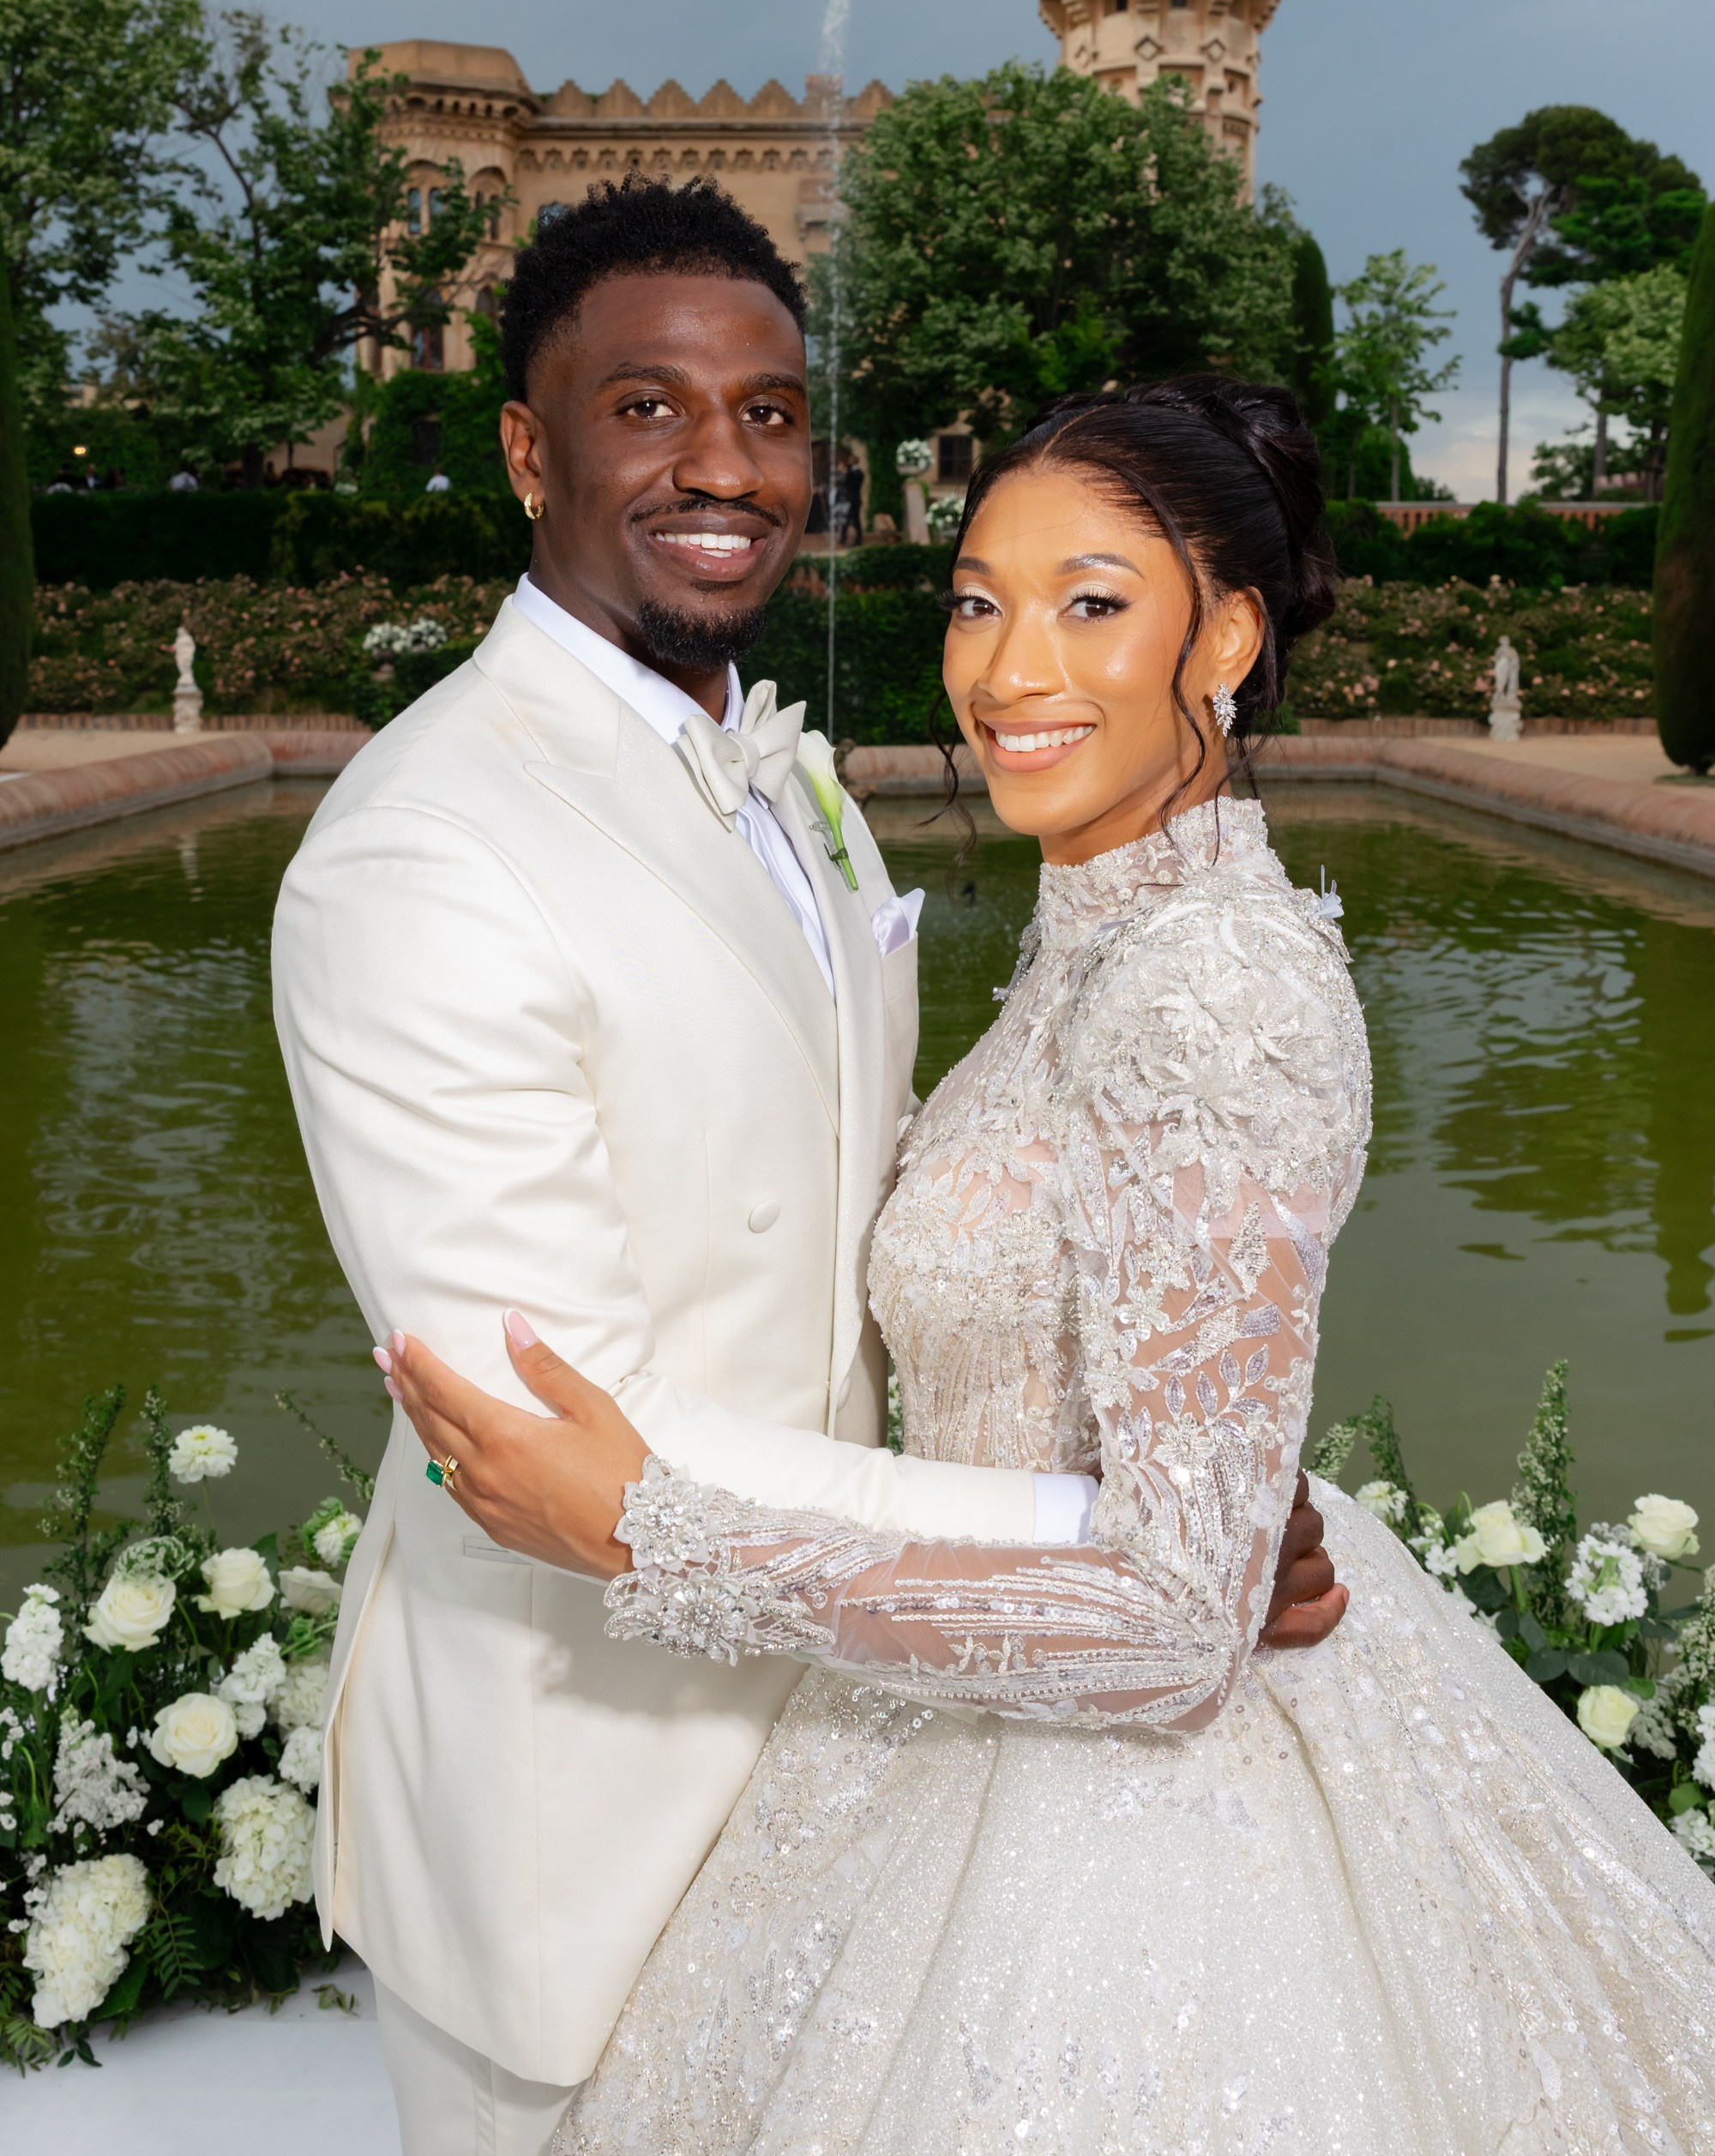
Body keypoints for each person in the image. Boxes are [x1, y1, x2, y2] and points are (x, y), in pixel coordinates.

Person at [388, 377, 1715, 2154]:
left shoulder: (1212, 989)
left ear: (1227, 635)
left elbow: (1177, 1629)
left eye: (1093, 602)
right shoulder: (1095, 938)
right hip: (944, 1711)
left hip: (1130, 1817)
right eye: (977, 598)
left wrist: (647, 1532)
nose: (1010, 668)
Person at [272, 180, 1343, 2156]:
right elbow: (540, 1434)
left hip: (884, 1724)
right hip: (591, 1789)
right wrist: (1091, 1535)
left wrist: (1165, 1506)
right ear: (527, 448)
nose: (724, 466)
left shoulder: (785, 779)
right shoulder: (427, 849)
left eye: (769, 413)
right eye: (646, 408)